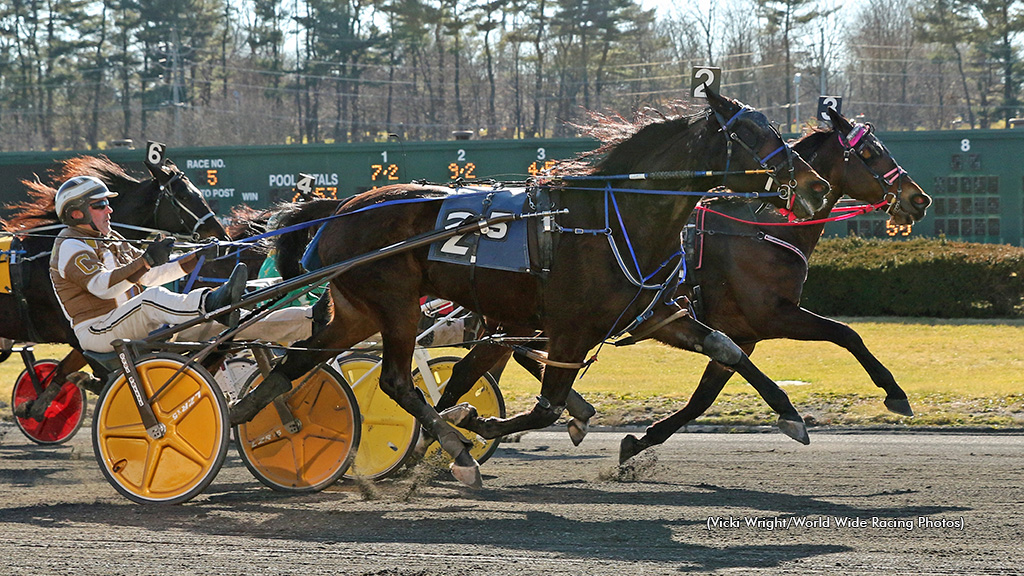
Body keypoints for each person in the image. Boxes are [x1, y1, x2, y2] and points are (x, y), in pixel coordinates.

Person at [15, 175, 328, 420]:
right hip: (98, 332)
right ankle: (213, 302)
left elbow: (150, 275)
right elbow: (102, 287)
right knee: (150, 300)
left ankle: (309, 321)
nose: (109, 209)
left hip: (134, 326)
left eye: (107, 204)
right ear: (76, 213)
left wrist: (192, 260)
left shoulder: (112, 240)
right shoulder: (70, 244)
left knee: (234, 326)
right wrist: (145, 261)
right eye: (100, 205)